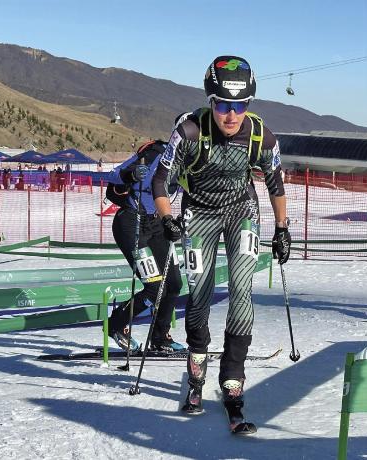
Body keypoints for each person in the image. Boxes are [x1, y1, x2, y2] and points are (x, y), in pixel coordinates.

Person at [152, 55, 291, 427]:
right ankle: (195, 377)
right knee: (199, 293)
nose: (231, 115)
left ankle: (232, 380)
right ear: (210, 101)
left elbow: (275, 182)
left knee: (242, 291)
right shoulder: (190, 130)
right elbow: (159, 183)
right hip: (198, 213)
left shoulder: (261, 134)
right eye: (223, 105)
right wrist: (167, 217)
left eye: (240, 105)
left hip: (241, 211)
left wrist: (282, 228)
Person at [105, 140, 185, 353]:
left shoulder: (192, 159)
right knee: (154, 287)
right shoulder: (156, 153)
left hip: (157, 223)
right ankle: (117, 324)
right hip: (132, 223)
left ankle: (160, 336)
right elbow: (113, 175)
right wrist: (131, 175)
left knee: (174, 283)